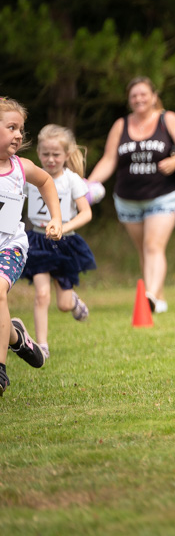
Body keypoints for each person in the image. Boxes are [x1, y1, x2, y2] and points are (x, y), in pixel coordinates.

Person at [87, 76, 175, 314]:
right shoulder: (121, 125)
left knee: (153, 246)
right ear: (129, 100)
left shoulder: (167, 119)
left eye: (143, 94)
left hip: (164, 194)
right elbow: (109, 159)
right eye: (134, 95)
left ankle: (149, 297)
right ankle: (157, 295)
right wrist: (90, 183)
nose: (139, 99)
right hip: (128, 199)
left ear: (153, 96)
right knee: (144, 251)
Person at [0, 97, 63, 395]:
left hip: (10, 246)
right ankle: (17, 337)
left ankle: (0, 371)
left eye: (21, 129)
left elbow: (47, 181)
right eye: (11, 127)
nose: (18, 135)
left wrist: (57, 219)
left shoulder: (21, 168)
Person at [22, 124, 98, 354]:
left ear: (66, 155)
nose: (51, 159)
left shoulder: (72, 180)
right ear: (38, 153)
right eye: (45, 154)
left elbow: (86, 213)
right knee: (41, 294)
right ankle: (41, 345)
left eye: (56, 155)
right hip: (37, 240)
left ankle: (73, 301)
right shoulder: (30, 176)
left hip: (64, 243)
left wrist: (64, 227)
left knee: (63, 304)